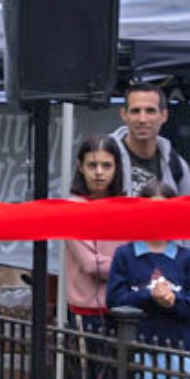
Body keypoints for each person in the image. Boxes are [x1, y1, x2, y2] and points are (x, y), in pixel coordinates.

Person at [106, 183, 190, 379]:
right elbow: (115, 299)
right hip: (139, 348)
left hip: (177, 348)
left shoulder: (185, 258)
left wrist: (173, 300)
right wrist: (148, 295)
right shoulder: (126, 255)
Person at [63, 135, 123, 329]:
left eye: (106, 166)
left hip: (123, 308)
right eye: (92, 165)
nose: (99, 172)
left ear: (116, 168)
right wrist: (130, 268)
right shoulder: (72, 209)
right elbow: (90, 265)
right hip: (86, 311)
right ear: (80, 166)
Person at [107, 81, 190, 199]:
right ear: (124, 115)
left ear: (164, 115)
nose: (142, 119)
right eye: (135, 111)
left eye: (150, 111)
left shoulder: (177, 166)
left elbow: (187, 213)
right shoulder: (103, 156)